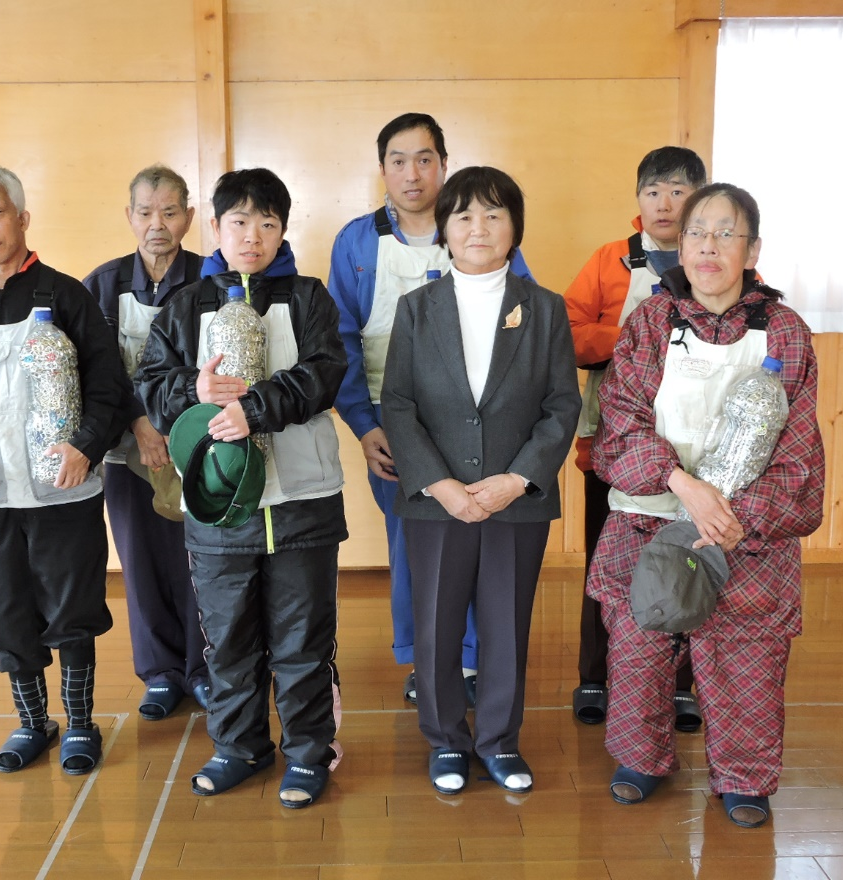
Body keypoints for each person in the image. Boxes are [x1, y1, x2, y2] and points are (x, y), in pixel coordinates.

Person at [587, 183, 824, 827]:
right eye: (697, 233)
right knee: (638, 640)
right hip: (651, 513)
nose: (709, 247)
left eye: (726, 234)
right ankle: (641, 759)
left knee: (746, 652)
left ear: (753, 250)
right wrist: (683, 485)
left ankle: (743, 777)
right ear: (680, 246)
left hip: (743, 528)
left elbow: (798, 449)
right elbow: (621, 421)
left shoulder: (785, 332)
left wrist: (735, 516)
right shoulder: (651, 321)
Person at [136, 167, 348, 809]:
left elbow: (324, 374)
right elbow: (152, 384)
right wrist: (193, 391)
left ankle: (308, 753)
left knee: (303, 640)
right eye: (239, 222)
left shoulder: (308, 297)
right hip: (218, 505)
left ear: (282, 230)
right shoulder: (185, 305)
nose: (252, 235)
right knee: (227, 639)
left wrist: (255, 409)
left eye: (267, 222)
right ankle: (239, 747)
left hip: (302, 502)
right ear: (216, 227)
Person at [0, 163, 128, 775]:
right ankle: (33, 723)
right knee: (8, 613)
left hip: (64, 489)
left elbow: (108, 385)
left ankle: (81, 724)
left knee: (72, 610)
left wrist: (85, 446)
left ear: (22, 217)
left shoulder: (65, 295)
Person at [382, 166, 580, 794]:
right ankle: (445, 740)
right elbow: (398, 405)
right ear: (444, 228)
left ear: (515, 228)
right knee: (437, 626)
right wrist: (440, 485)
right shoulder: (417, 309)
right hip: (434, 501)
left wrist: (516, 480)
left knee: (505, 626)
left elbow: (561, 406)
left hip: (514, 502)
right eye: (464, 215)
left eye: (494, 214)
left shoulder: (544, 309)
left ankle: (498, 740)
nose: (478, 227)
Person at [328, 112, 534, 707]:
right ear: (383, 169)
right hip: (393, 422)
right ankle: (428, 659)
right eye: (398, 161)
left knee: (483, 535)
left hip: (482, 419)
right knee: (413, 544)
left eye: (424, 159)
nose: (412, 173)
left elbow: (524, 320)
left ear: (444, 163)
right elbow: (340, 339)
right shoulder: (356, 241)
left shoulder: (477, 230)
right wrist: (364, 427)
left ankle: (473, 660)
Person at [565, 146, 708, 731]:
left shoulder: (714, 260)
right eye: (653, 191)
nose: (664, 203)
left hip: (697, 451)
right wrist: (630, 335)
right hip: (615, 444)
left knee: (690, 562)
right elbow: (569, 333)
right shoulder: (610, 260)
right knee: (607, 565)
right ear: (638, 200)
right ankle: (595, 677)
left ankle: (680, 685)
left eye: (677, 191)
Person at [83, 164, 210, 720]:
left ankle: (204, 669)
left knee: (201, 559)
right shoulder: (102, 284)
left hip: (196, 445)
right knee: (140, 561)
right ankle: (160, 673)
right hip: (125, 449)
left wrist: (173, 427)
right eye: (145, 212)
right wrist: (139, 423)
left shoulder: (209, 277)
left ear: (189, 216)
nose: (157, 224)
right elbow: (95, 371)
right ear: (129, 216)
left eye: (170, 212)